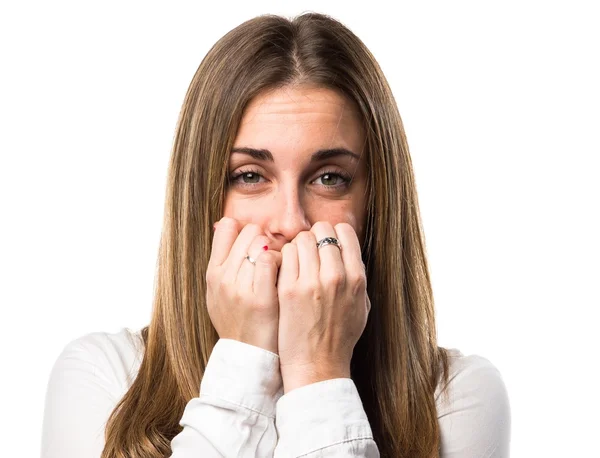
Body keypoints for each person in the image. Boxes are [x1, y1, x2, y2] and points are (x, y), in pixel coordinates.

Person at [41, 11, 511, 458]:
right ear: (203, 196)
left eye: (329, 177)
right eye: (249, 176)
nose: (290, 221)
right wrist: (245, 363)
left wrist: (318, 373)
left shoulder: (457, 396)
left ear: (376, 202)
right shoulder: (104, 377)